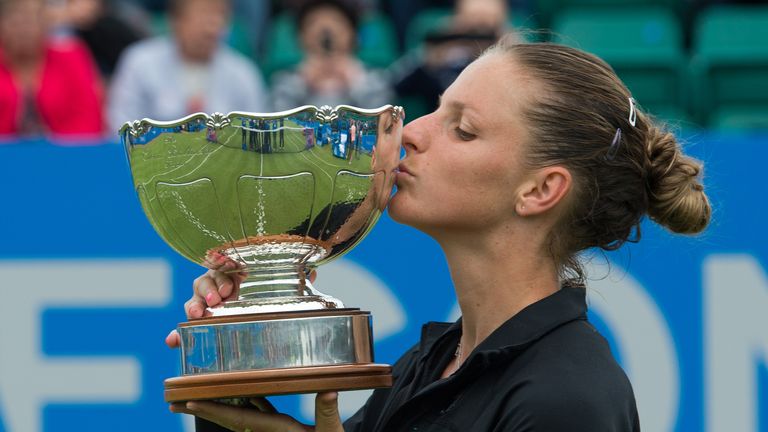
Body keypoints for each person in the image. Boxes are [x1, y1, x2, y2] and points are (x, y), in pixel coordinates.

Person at [165, 36, 711, 431]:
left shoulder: (567, 400)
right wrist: (238, 361)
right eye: (435, 111)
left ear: (540, 190)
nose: (413, 132)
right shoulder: (428, 365)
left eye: (463, 130)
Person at [107, 0, 269, 131]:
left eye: (221, 16)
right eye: (203, 15)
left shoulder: (244, 73)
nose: (212, 27)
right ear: (176, 20)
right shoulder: (139, 63)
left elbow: (258, 135)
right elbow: (121, 128)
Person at [0, 0, 105, 138]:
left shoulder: (72, 58)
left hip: (66, 154)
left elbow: (89, 120)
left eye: (31, 21)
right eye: (15, 21)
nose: (24, 29)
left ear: (46, 24)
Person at [270, 0, 393, 111]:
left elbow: (384, 119)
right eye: (313, 22)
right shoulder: (286, 80)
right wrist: (302, 82)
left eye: (336, 21)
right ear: (300, 37)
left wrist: (356, 81)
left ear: (353, 34)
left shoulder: (372, 78)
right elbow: (277, 118)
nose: (325, 28)